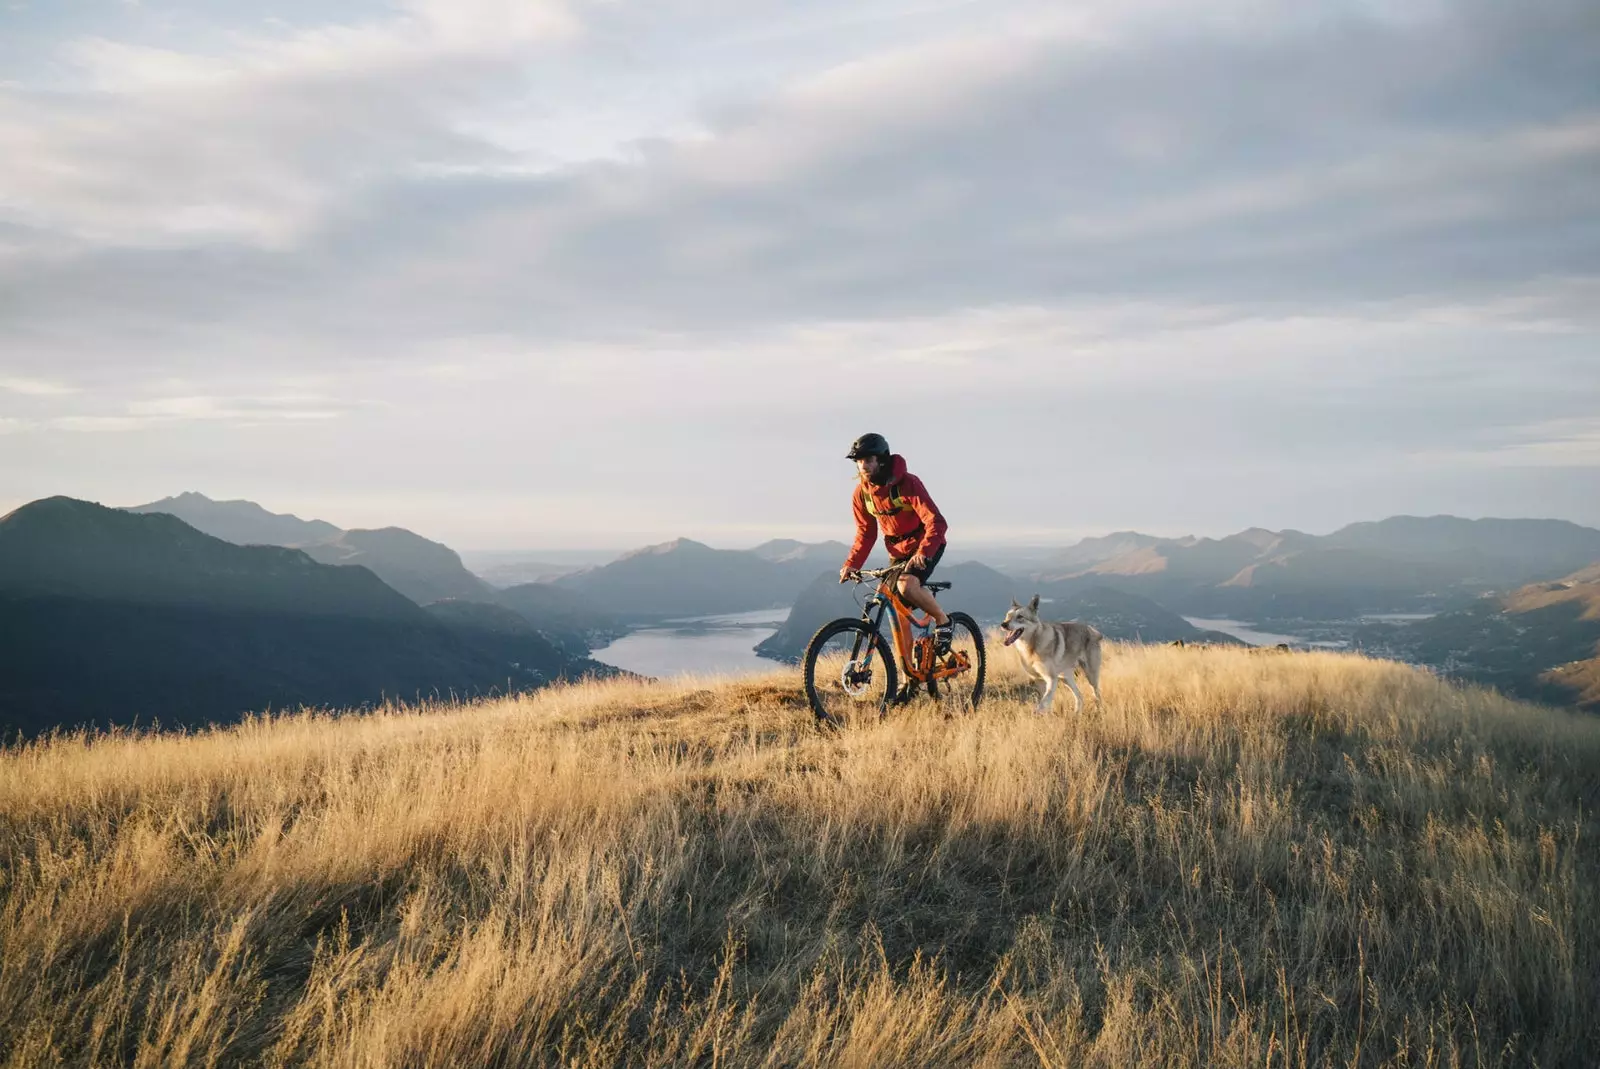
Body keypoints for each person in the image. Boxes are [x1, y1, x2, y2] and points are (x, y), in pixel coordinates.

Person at [837, 432, 953, 653]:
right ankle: (908, 677)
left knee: (906, 585)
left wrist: (924, 552)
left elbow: (937, 522)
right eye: (859, 461)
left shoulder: (908, 484)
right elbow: (865, 533)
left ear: (882, 459)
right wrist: (852, 564)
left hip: (926, 544)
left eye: (868, 460)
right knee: (897, 613)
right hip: (897, 551)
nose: (863, 466)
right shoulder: (862, 494)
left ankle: (943, 621)